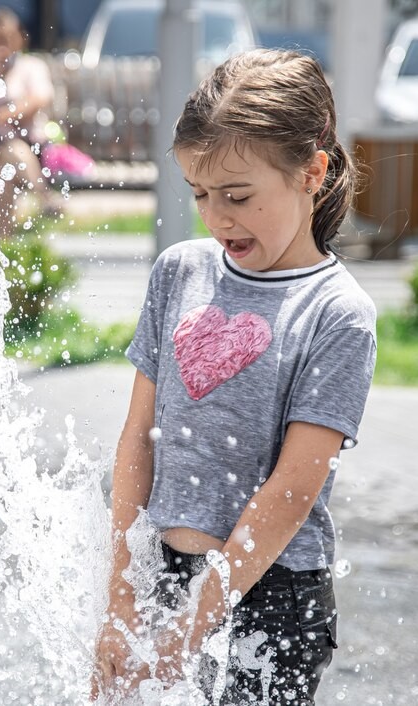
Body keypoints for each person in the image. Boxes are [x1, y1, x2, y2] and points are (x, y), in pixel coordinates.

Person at [92, 49, 377, 704]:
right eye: (199, 194)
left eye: (238, 196)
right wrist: (120, 596)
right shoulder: (179, 272)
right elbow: (138, 438)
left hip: (271, 599)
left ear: (310, 173)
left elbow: (290, 491)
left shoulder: (335, 314)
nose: (216, 217)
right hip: (158, 574)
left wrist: (192, 629)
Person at [0, 7, 62, 238]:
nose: (1, 46)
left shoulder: (31, 67)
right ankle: (44, 195)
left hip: (28, 146)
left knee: (3, 168)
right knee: (2, 154)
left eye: (7, 39)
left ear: (21, 39)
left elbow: (37, 101)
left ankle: (4, 239)